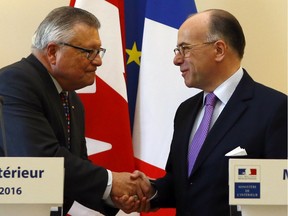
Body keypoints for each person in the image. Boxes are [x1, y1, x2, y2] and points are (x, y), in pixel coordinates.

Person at [133, 8, 287, 216]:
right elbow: (183, 183)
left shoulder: (275, 109)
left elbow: (280, 196)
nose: (176, 60)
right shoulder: (185, 111)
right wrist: (151, 191)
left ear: (219, 50)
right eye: (177, 51)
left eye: (185, 49)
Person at [0, 6, 150, 215]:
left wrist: (112, 198)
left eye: (99, 52)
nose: (98, 61)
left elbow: (76, 164)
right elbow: (40, 160)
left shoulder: (71, 98)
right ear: (52, 52)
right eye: (89, 52)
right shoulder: (15, 82)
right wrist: (111, 181)